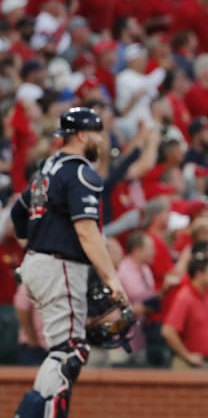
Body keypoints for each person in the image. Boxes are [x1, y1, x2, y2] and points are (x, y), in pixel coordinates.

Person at [11, 107, 127, 417]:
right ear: (81, 135)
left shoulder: (46, 169)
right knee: (70, 351)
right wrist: (112, 278)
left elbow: (17, 214)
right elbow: (87, 232)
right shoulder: (78, 171)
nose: (101, 141)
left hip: (38, 263)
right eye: (97, 134)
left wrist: (36, 242)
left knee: (65, 350)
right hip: (58, 264)